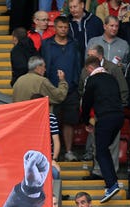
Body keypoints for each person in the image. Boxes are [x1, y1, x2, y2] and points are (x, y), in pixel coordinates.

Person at [80, 55, 124, 202]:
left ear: (90, 68)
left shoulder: (92, 80)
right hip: (119, 117)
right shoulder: (112, 77)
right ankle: (111, 181)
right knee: (104, 149)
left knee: (100, 151)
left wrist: (86, 121)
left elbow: (86, 103)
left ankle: (111, 184)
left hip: (105, 118)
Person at [42, 15, 81, 161]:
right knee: (53, 121)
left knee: (69, 121)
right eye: (60, 27)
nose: (63, 30)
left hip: (71, 89)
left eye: (65, 27)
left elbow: (78, 64)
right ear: (55, 28)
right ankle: (53, 152)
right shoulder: (46, 44)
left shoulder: (74, 43)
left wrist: (76, 83)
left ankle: (69, 151)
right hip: (52, 89)